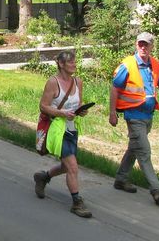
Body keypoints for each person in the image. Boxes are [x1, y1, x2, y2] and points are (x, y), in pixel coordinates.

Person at [110, 32, 159, 205]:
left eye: (147, 44)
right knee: (144, 152)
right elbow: (115, 88)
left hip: (148, 116)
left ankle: (121, 179)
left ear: (152, 46)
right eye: (140, 44)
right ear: (136, 45)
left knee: (134, 148)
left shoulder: (155, 65)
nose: (143, 47)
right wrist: (112, 112)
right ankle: (156, 190)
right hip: (133, 116)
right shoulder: (127, 65)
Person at [33, 51, 91, 218]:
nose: (74, 65)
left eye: (75, 62)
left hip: (72, 129)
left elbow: (78, 104)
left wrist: (81, 111)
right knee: (72, 166)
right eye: (71, 62)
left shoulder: (78, 81)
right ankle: (76, 202)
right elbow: (43, 106)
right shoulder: (53, 82)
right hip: (57, 131)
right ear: (61, 64)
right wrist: (63, 113)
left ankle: (43, 177)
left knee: (66, 166)